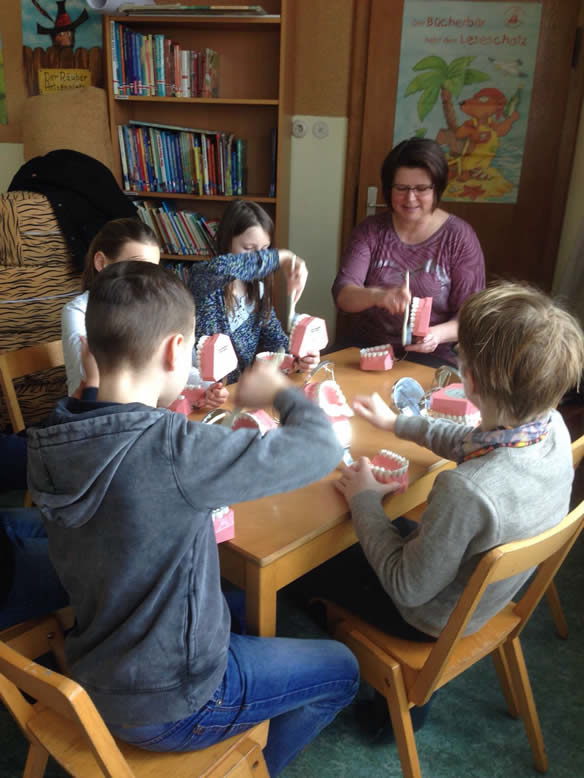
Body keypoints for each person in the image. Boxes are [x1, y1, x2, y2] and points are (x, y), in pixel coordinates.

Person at [28, 261, 359, 776]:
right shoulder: (173, 449)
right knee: (342, 668)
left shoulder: (51, 439)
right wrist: (279, 392)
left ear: (90, 349)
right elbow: (321, 448)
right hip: (177, 701)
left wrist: (92, 384)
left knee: (240, 606)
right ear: (176, 351)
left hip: (94, 672)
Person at [326, 282, 584, 732]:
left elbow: (406, 587)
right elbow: (471, 441)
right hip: (488, 598)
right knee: (382, 534)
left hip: (427, 619)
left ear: (471, 382)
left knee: (317, 565)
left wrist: (363, 498)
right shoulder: (551, 428)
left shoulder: (468, 489)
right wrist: (398, 424)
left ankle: (389, 702)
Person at [332, 137, 485, 365]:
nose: (410, 198)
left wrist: (435, 335)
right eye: (401, 188)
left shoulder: (459, 237)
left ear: (437, 188)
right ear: (388, 189)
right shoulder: (370, 230)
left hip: (431, 356)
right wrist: (377, 296)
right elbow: (343, 295)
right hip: (367, 349)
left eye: (421, 189)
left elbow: (470, 315)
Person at [62, 217, 227, 408]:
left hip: (148, 412)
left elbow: (176, 362)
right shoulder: (78, 311)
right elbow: (93, 375)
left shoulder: (156, 308)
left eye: (154, 269)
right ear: (101, 262)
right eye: (138, 267)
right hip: (96, 413)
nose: (149, 279)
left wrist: (206, 387)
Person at [190, 199, 319, 383]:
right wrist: (282, 257)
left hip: (240, 390)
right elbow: (223, 267)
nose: (260, 258)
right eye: (249, 249)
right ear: (226, 242)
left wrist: (298, 358)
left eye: (265, 249)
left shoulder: (257, 290)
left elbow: (275, 340)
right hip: (203, 390)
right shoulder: (204, 278)